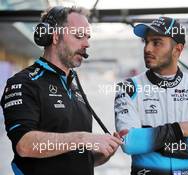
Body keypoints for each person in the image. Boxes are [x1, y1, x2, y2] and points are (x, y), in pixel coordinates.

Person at [1, 6, 127, 175]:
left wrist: (101, 154)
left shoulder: (75, 90)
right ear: (54, 36)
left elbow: (72, 158)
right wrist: (85, 138)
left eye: (88, 37)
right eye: (79, 35)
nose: (86, 43)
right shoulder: (24, 82)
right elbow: (25, 145)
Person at [114, 17, 188, 175]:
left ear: (177, 50)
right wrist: (178, 130)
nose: (147, 49)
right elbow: (130, 143)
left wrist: (151, 140)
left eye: (156, 42)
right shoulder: (129, 88)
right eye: (146, 42)